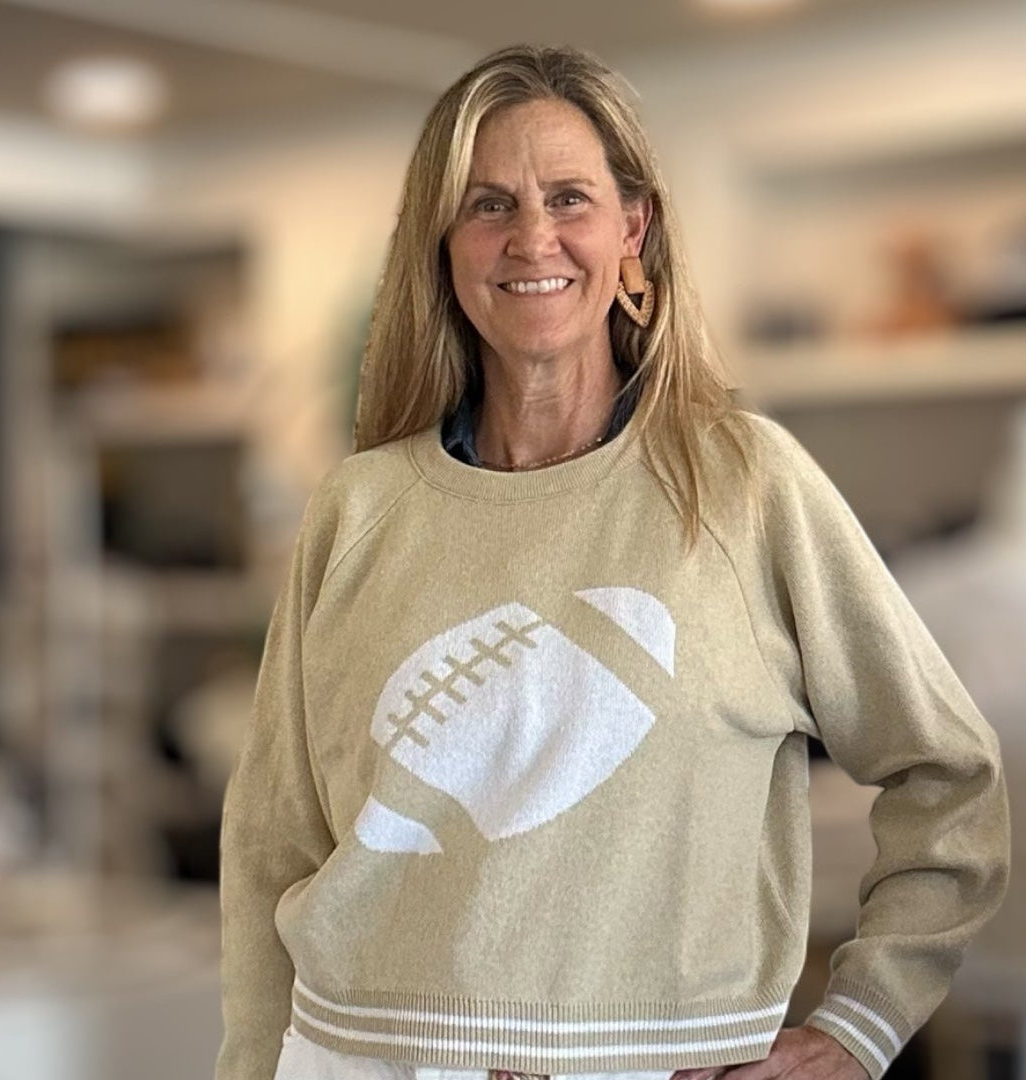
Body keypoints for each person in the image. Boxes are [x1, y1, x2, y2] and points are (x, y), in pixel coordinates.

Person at [216, 44, 1010, 1080]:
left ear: (633, 230)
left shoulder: (748, 484)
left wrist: (860, 1026)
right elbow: (272, 842)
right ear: (444, 244)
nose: (531, 236)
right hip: (353, 1057)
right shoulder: (358, 507)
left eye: (569, 198)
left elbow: (950, 774)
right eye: (489, 204)